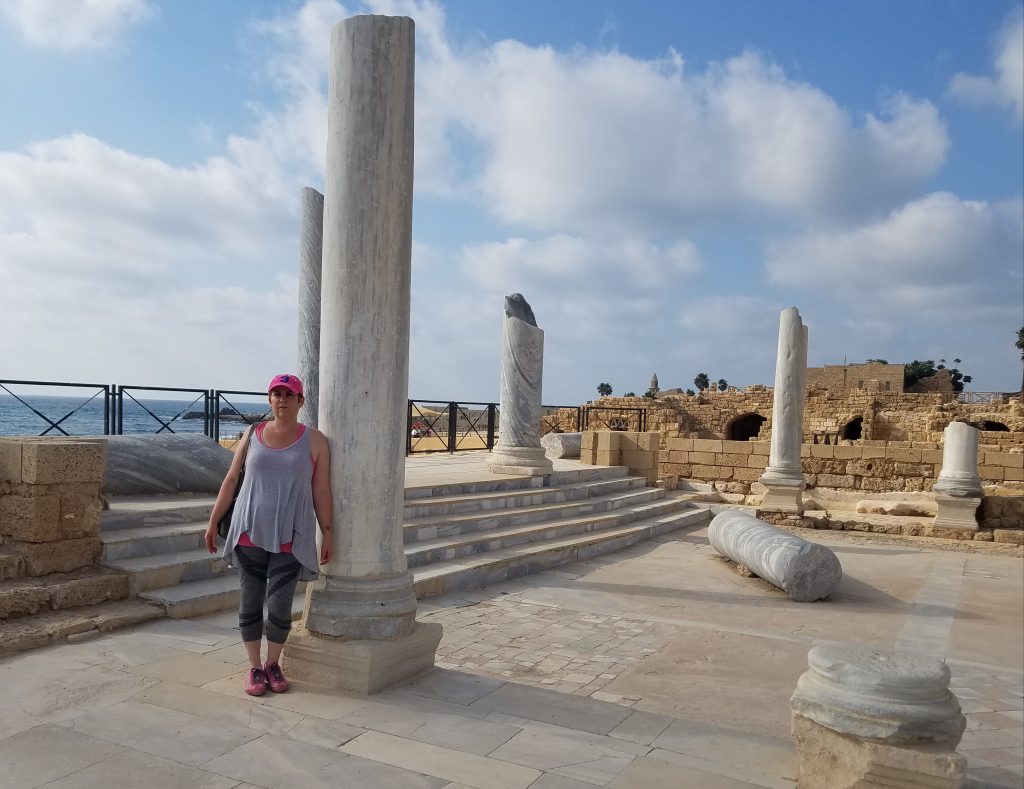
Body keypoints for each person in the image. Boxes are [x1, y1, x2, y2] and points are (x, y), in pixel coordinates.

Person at [205, 373, 333, 696]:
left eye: (289, 395)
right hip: (250, 531)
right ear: (269, 400)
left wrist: (328, 532)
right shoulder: (252, 434)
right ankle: (253, 668)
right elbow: (231, 479)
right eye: (277, 394)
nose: (282, 400)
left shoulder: (315, 441)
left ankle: (273, 664)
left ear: (301, 401)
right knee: (250, 601)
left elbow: (321, 490)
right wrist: (212, 521)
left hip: (291, 534)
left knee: (279, 604)